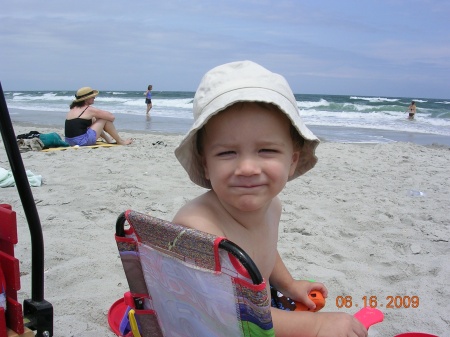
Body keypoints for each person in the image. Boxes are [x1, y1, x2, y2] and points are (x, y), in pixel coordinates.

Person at [173, 61, 367, 337]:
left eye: (266, 150)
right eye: (227, 153)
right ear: (205, 165)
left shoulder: (272, 206)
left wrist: (288, 284)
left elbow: (263, 251)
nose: (248, 168)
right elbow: (232, 314)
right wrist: (318, 326)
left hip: (258, 311)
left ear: (292, 161)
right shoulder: (199, 228)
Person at [65, 87, 133, 146]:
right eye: (92, 96)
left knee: (94, 119)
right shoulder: (88, 109)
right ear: (86, 99)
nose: (94, 97)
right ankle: (120, 141)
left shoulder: (73, 108)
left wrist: (97, 119)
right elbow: (111, 117)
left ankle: (108, 139)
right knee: (104, 119)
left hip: (69, 141)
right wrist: (100, 119)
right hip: (82, 142)